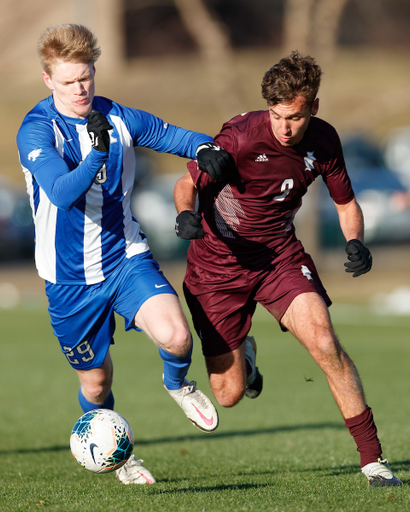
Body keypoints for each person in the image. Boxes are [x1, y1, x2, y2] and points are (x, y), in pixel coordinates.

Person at [17, 24, 235, 485]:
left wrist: (204, 147)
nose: (81, 88)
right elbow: (60, 192)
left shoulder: (117, 117)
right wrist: (95, 156)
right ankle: (120, 456)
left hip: (124, 257)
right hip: (68, 279)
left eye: (87, 76)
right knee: (96, 385)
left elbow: (167, 133)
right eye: (69, 79)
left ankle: (177, 384)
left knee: (177, 338)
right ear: (48, 79)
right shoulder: (38, 130)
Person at [173, 51, 402, 487]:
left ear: (313, 107)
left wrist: (356, 241)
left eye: (294, 117)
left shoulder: (325, 141)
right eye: (277, 115)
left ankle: (373, 461)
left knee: (324, 342)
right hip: (216, 269)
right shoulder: (239, 136)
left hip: (279, 257)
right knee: (229, 394)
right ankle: (249, 358)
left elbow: (346, 204)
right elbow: (186, 182)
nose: (284, 127)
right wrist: (185, 214)